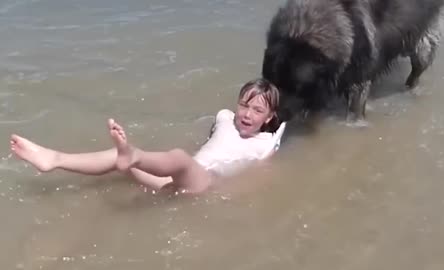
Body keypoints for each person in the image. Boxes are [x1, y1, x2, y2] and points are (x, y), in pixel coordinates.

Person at [10, 78, 286, 194]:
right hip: (171, 181)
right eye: (244, 105)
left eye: (257, 110)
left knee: (179, 157)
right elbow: (211, 142)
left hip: (204, 185)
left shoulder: (264, 144)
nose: (247, 114)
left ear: (270, 117)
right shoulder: (225, 119)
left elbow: (261, 175)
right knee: (117, 157)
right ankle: (55, 159)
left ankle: (132, 156)